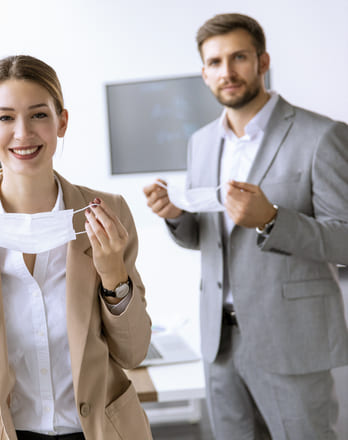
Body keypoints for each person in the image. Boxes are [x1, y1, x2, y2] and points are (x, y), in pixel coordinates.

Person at [0, 55, 152, 440]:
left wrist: (114, 277)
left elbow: (134, 352)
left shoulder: (107, 213)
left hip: (98, 431)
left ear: (62, 121)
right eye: (6, 117)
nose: (24, 133)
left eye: (39, 115)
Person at [143, 13, 348, 439]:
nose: (227, 71)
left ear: (263, 61)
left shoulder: (321, 136)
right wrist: (176, 216)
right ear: (203, 73)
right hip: (219, 341)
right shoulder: (200, 142)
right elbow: (209, 240)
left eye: (239, 57)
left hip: (291, 339)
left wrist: (273, 219)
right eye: (215, 62)